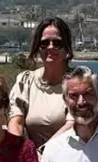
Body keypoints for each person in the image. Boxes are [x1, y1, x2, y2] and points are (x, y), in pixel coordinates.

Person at [8, 18, 74, 147]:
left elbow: (73, 125)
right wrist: (17, 152)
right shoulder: (25, 81)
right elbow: (15, 121)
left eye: (57, 43)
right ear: (38, 48)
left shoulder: (78, 83)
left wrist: (43, 154)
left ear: (67, 48)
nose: (50, 47)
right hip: (34, 160)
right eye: (44, 43)